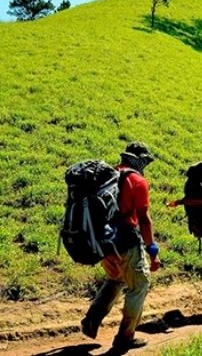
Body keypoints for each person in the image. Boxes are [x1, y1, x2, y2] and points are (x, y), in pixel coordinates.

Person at [80, 142, 160, 351]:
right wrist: (152, 250)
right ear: (139, 160)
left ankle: (91, 319)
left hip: (103, 241)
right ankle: (125, 337)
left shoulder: (109, 175)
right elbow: (144, 219)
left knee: (115, 278)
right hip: (127, 240)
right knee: (139, 286)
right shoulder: (137, 180)